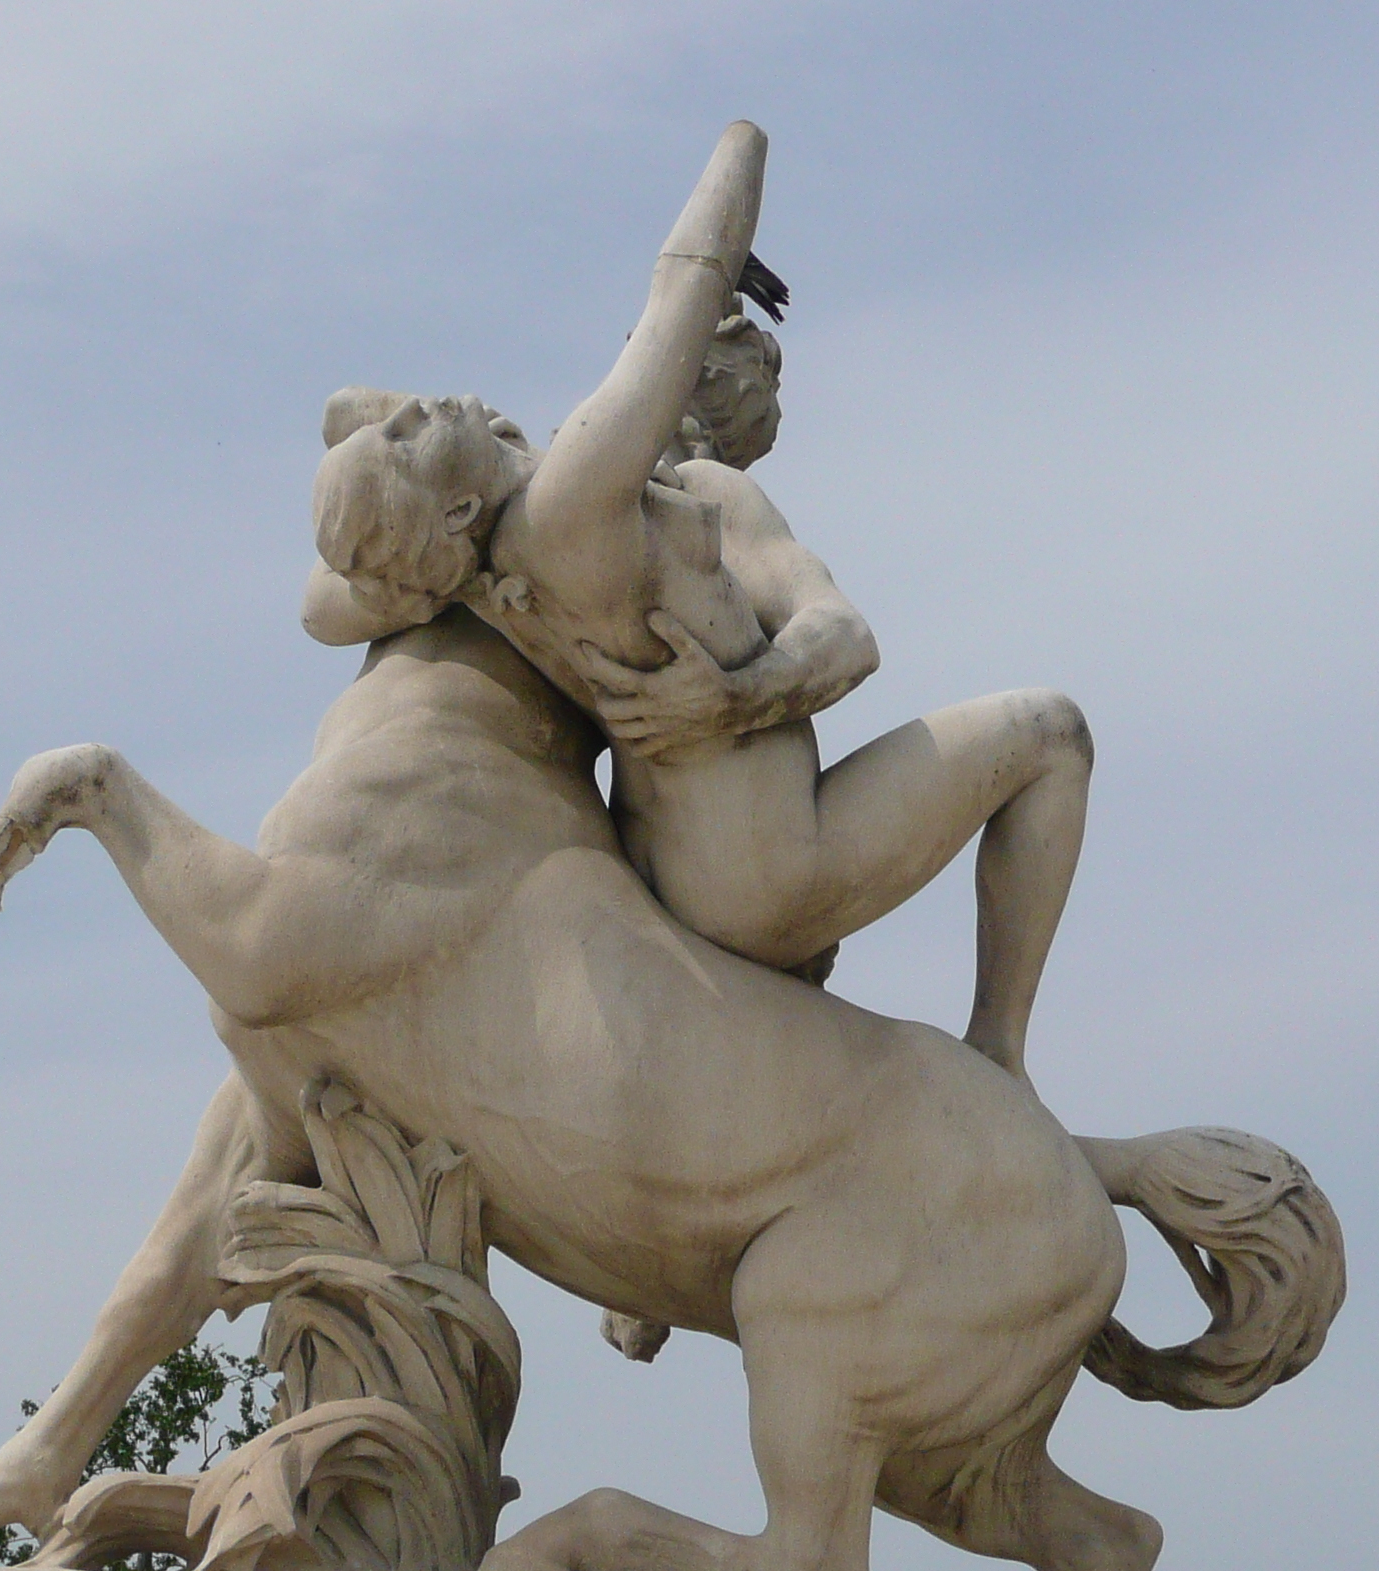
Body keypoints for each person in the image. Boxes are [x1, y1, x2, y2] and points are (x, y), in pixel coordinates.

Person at [298, 122, 1090, 1079]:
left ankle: (995, 1057)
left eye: (678, 381)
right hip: (760, 869)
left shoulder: (594, 525)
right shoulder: (565, 513)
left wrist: (738, 695)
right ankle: (998, 1054)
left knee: (1048, 732)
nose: (647, 385)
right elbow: (368, 438)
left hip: (680, 863)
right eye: (658, 367)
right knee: (1053, 733)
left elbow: (845, 638)